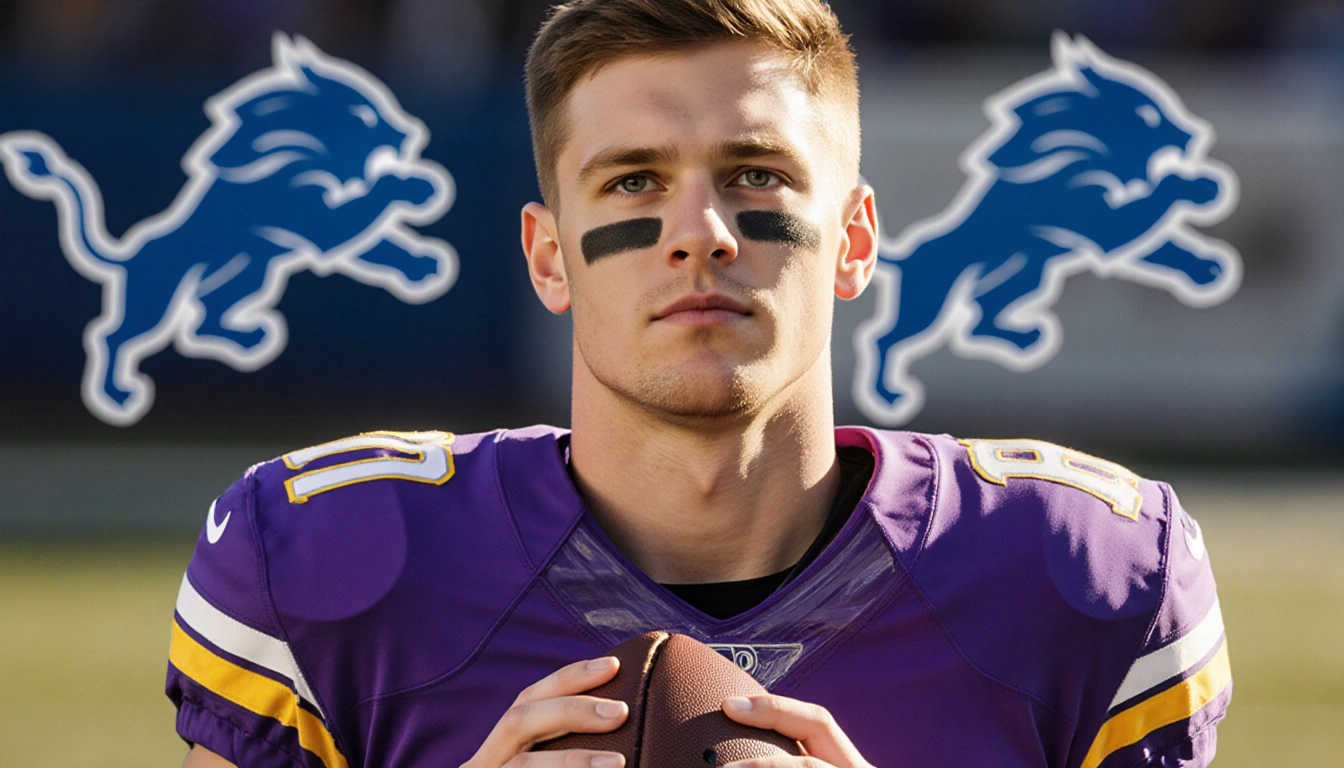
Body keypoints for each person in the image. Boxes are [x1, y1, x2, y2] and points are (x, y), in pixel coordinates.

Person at [167, 1, 1231, 766]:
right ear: (548, 256)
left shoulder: (1080, 579)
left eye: (756, 174)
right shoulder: (333, 571)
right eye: (635, 180)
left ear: (856, 239)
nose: (701, 236)